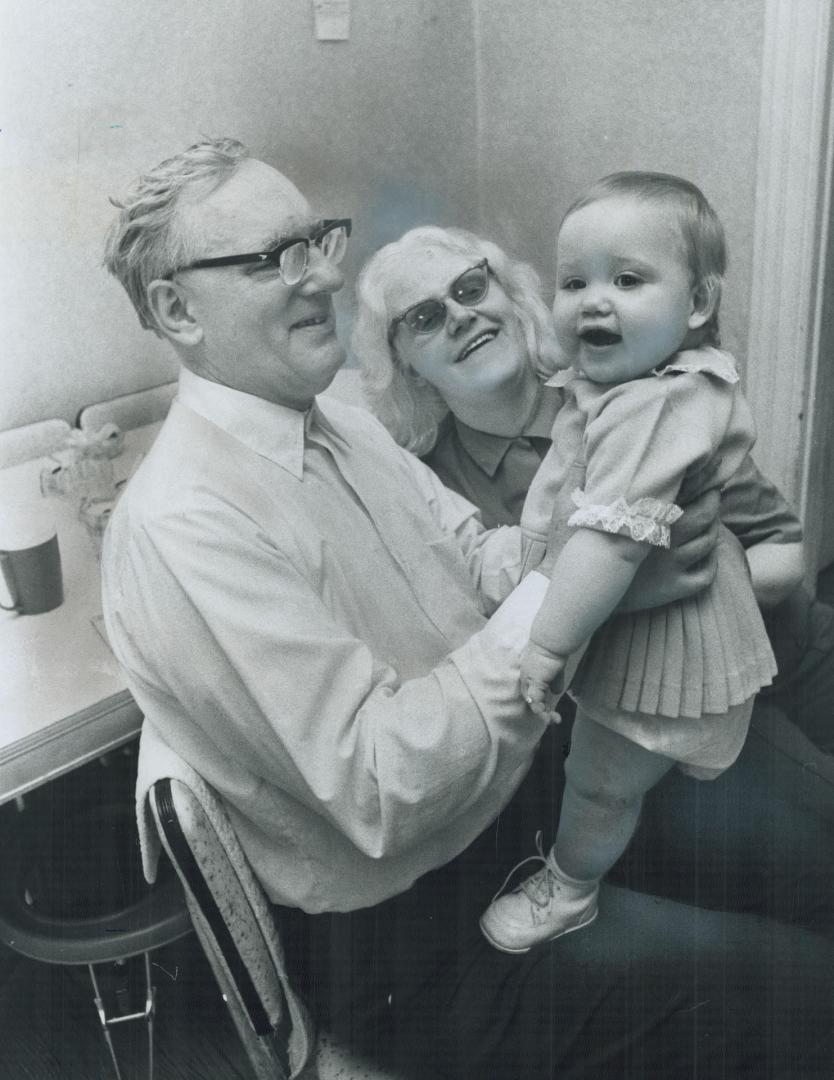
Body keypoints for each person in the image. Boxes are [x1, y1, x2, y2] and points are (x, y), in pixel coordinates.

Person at [101, 137, 834, 1078]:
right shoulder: (186, 523)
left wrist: (597, 529)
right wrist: (577, 593)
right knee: (806, 984)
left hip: (529, 806)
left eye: (318, 240)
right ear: (175, 308)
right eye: (275, 258)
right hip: (428, 941)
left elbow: (485, 560)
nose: (321, 276)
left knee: (817, 863)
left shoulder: (346, 426)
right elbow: (383, 784)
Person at [355, 223, 834, 929]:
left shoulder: (642, 397)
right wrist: (630, 599)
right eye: (425, 317)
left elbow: (782, 552)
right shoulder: (427, 492)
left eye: (469, 287)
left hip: (782, 641)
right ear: (404, 362)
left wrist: (707, 586)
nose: (460, 315)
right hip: (641, 723)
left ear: (511, 297)